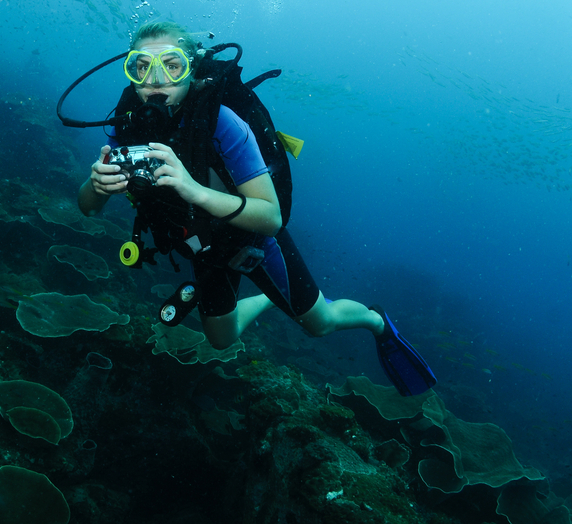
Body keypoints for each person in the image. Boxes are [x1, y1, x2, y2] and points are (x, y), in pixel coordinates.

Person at [76, 22, 435, 396]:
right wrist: (96, 185)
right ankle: (269, 298)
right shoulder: (128, 124)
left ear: (193, 69)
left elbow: (271, 218)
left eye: (172, 64)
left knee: (320, 324)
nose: (156, 79)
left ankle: (376, 321)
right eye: (141, 66)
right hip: (203, 247)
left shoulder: (222, 123)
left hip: (252, 240)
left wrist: (194, 190)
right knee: (220, 339)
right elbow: (88, 208)